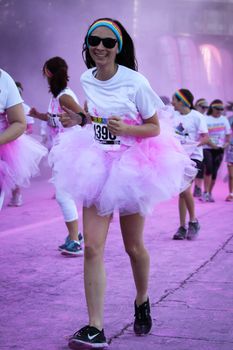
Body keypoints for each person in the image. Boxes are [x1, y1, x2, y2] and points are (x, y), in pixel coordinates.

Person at [50, 18, 197, 349]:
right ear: (87, 44)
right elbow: (96, 116)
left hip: (134, 166)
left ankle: (142, 298)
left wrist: (127, 130)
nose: (100, 47)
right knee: (91, 247)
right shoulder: (87, 78)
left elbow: (154, 127)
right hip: (96, 162)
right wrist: (81, 118)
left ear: (119, 47)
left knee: (133, 247)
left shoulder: (136, 82)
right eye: (94, 40)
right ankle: (95, 327)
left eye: (108, 41)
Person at [29, 56, 86, 256]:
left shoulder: (64, 97)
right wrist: (38, 115)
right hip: (61, 148)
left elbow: (84, 118)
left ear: (49, 73)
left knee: (63, 195)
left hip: (69, 149)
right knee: (65, 194)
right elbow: (54, 119)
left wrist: (78, 120)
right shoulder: (57, 96)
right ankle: (75, 236)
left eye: (44, 71)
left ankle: (75, 241)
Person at [0, 69, 47, 209]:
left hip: (11, 142)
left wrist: (19, 133)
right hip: (11, 140)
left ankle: (17, 195)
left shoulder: (5, 81)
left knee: (13, 176)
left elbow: (24, 125)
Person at [171, 89, 209, 241]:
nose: (172, 102)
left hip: (193, 157)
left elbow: (206, 137)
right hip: (178, 157)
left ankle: (193, 221)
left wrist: (194, 145)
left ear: (182, 101)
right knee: (182, 192)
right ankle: (182, 226)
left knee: (184, 189)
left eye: (174, 99)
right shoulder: (173, 116)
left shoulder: (197, 117)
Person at [7, 81, 36, 207]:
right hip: (5, 138)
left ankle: (16, 194)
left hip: (18, 141)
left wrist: (20, 131)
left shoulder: (25, 108)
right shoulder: (5, 105)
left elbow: (30, 127)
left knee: (13, 170)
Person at [201, 100, 231, 202]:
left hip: (219, 149)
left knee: (214, 172)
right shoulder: (205, 119)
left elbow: (228, 136)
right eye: (217, 108)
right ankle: (205, 192)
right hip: (207, 148)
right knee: (208, 169)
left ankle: (209, 193)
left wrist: (225, 144)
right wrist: (212, 145)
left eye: (221, 109)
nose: (219, 111)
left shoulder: (224, 120)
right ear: (212, 108)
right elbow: (203, 134)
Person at [193, 98, 209, 198]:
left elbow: (207, 135)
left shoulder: (205, 117)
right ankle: (195, 188)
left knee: (202, 169)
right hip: (195, 148)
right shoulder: (193, 116)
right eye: (203, 107)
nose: (205, 109)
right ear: (197, 106)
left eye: (206, 107)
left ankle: (198, 188)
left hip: (204, 147)